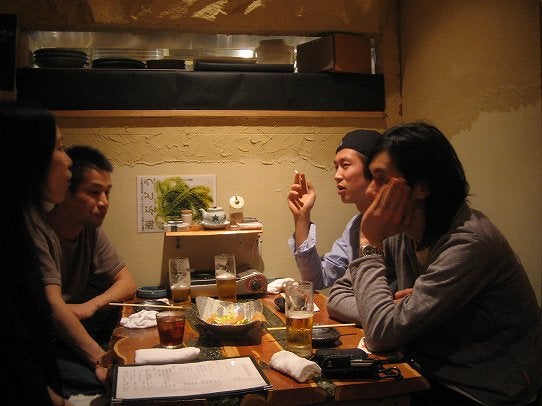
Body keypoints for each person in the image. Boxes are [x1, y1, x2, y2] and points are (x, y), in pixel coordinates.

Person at [327, 121, 542, 405]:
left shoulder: (469, 243)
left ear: (422, 187)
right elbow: (337, 295)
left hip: (480, 390)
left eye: (381, 179)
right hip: (425, 371)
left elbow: (381, 333)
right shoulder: (400, 232)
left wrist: (369, 242)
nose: (370, 191)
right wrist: (386, 310)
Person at [34, 145, 137, 396]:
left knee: (132, 361)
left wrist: (91, 305)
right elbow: (53, 308)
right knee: (108, 380)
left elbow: (127, 283)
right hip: (44, 338)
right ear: (65, 192)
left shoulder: (90, 229)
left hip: (73, 331)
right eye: (93, 192)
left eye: (106, 193)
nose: (104, 203)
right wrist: (101, 360)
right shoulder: (39, 232)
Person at [1, 101, 74, 405]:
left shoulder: (22, 221)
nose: (68, 161)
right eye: (58, 147)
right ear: (27, 156)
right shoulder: (11, 235)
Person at [287, 129, 382, 290]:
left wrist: (341, 296)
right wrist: (302, 217)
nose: (337, 175)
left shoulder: (395, 225)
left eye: (345, 165)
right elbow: (317, 279)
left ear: (373, 170)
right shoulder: (355, 225)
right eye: (336, 167)